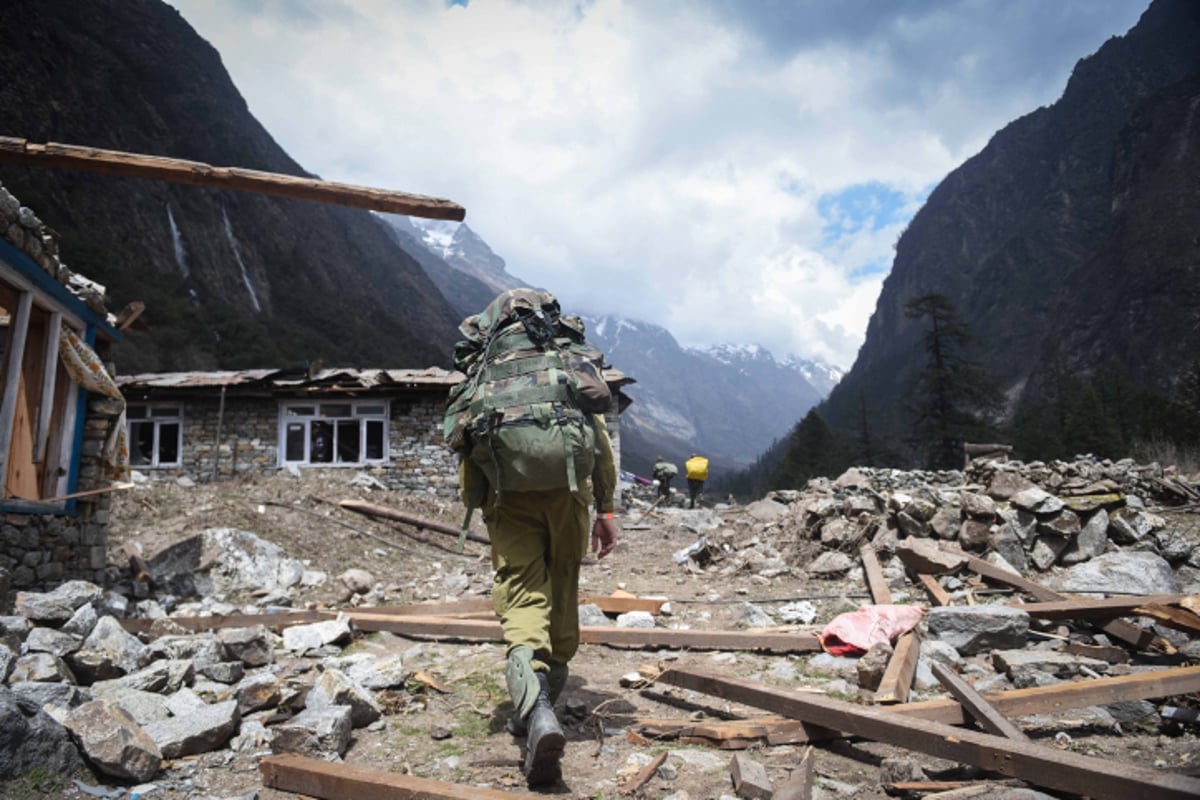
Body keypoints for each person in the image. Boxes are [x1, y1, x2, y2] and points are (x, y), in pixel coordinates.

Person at [450, 289, 619, 787]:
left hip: (507, 497)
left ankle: (533, 709)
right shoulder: (566, 362)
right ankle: (547, 700)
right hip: (569, 493)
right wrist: (605, 507)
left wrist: (482, 503)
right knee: (563, 585)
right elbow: (600, 440)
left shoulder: (487, 367)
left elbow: (465, 443)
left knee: (523, 597)